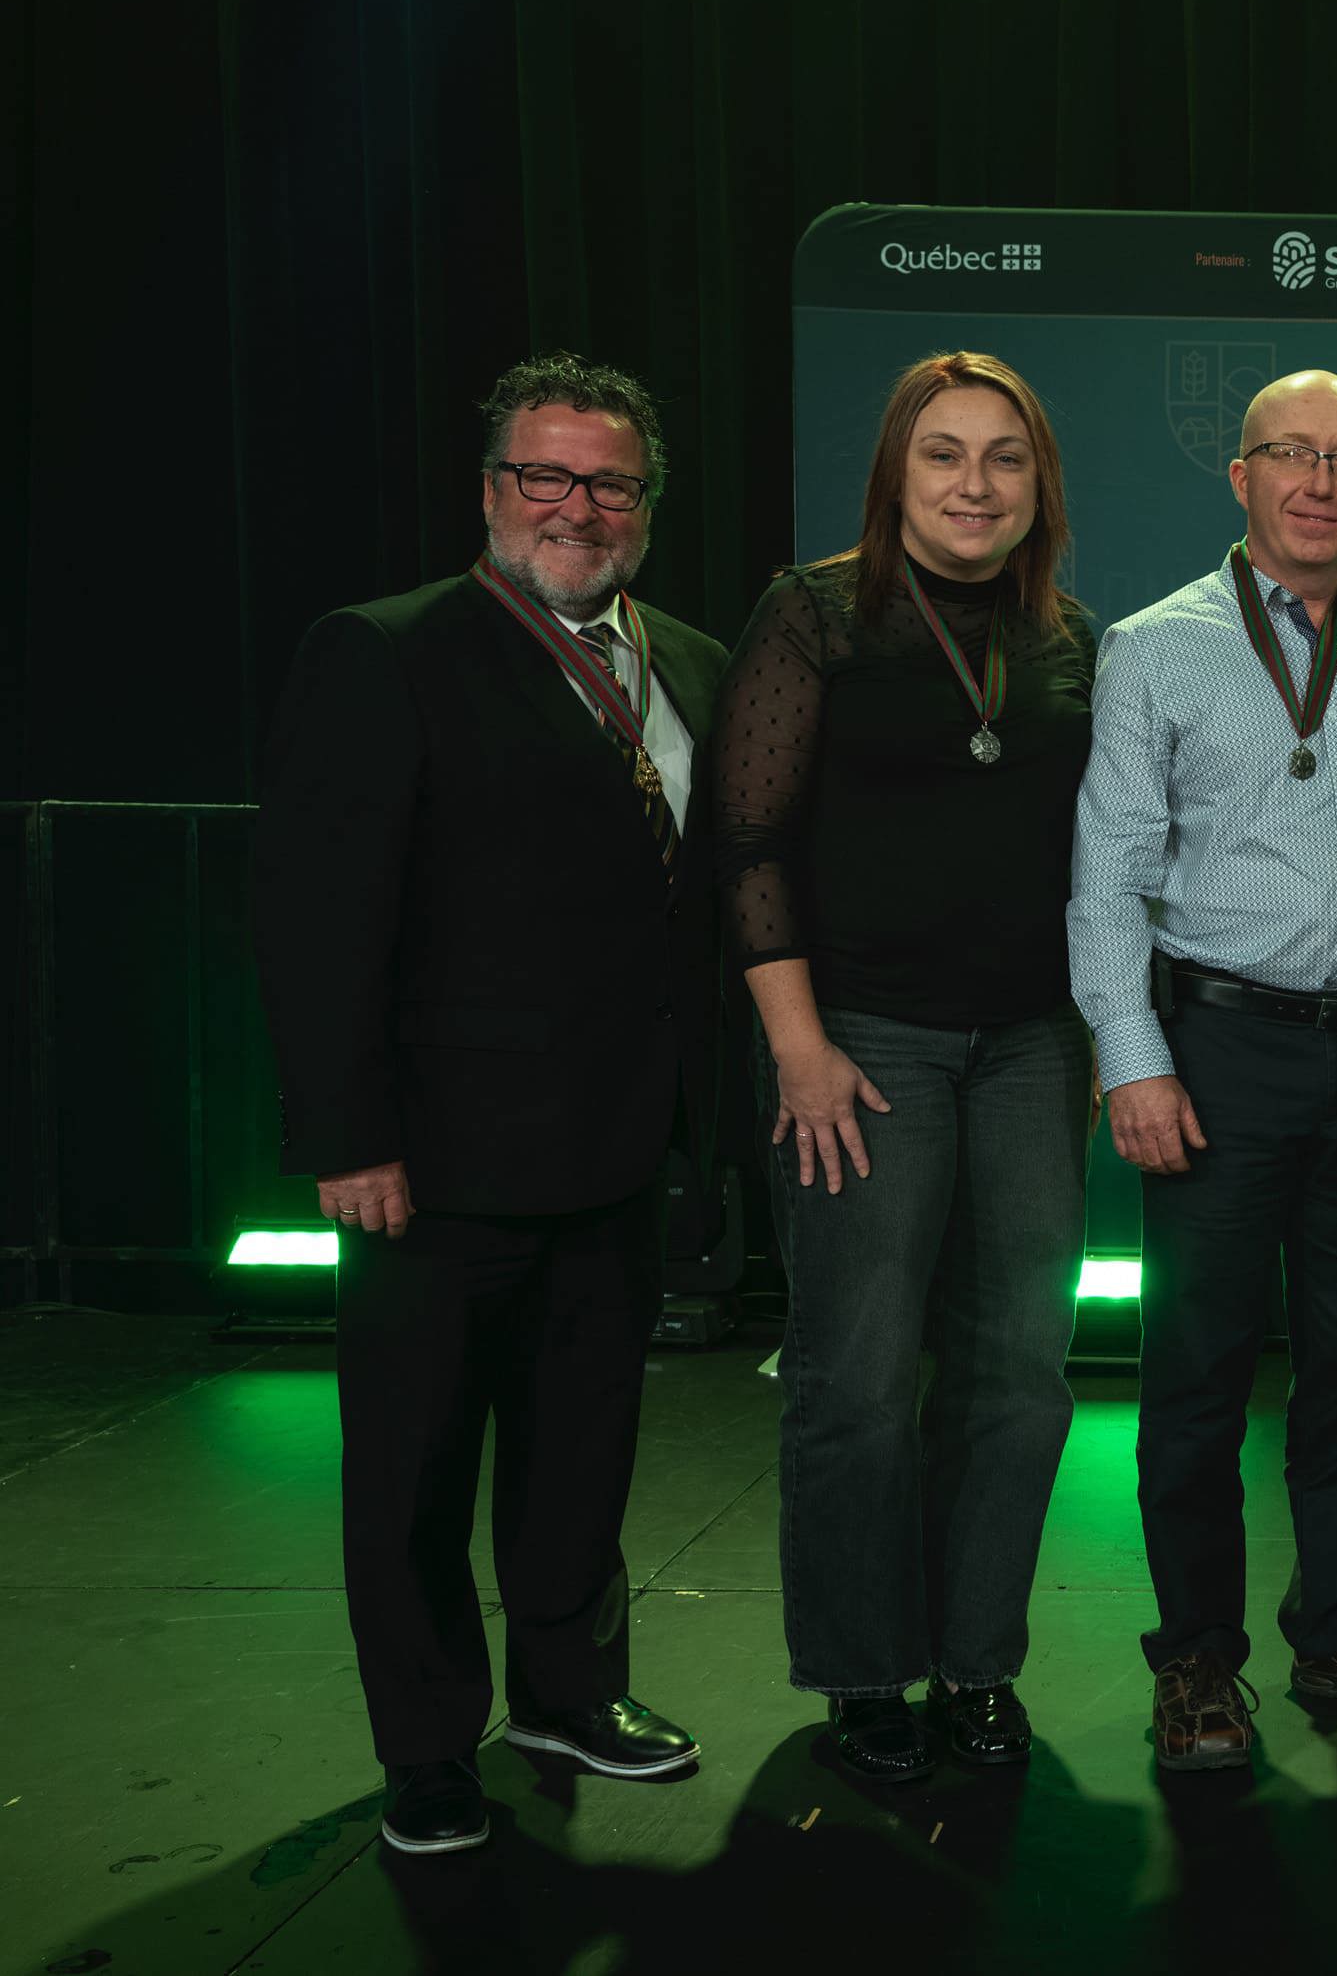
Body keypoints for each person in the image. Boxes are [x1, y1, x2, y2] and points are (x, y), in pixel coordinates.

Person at [254, 352, 726, 1855]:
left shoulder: (696, 664)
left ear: (645, 504)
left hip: (616, 1147)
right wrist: (349, 1135)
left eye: (610, 483)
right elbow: (320, 912)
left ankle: (570, 1697)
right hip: (437, 1161)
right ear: (491, 491)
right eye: (548, 477)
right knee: (412, 1471)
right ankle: (426, 1749)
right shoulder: (384, 649)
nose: (579, 508)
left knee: (581, 1449)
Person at [1070, 369, 1337, 1772]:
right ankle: (1194, 1660)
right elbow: (1107, 876)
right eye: (1291, 455)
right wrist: (1134, 1060)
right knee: (1195, 1375)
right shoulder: (1152, 647)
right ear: (1237, 476)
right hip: (1215, 1048)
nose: (1320, 480)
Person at [712, 351, 1096, 1783]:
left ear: (1039, 481)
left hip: (1032, 1052)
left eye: (1005, 456)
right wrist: (798, 1050)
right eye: (944, 455)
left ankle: (978, 1666)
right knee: (859, 1374)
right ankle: (867, 1672)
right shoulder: (816, 614)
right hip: (862, 1046)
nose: (975, 484)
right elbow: (745, 846)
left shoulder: (1074, 639)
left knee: (1019, 1375)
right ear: (896, 472)